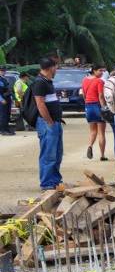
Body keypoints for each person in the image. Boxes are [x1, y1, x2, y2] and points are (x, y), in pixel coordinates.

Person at [29, 57, 64, 190]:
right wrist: (49, 121)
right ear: (51, 68)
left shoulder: (48, 82)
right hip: (47, 124)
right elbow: (40, 104)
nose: (57, 70)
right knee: (48, 154)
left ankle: (55, 180)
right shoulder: (40, 83)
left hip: (55, 122)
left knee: (57, 153)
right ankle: (47, 183)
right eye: (56, 67)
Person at [81, 64, 107, 159]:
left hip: (88, 106)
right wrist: (104, 108)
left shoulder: (84, 80)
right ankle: (102, 155)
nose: (102, 73)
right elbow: (101, 96)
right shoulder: (99, 81)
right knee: (101, 132)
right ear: (94, 71)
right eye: (100, 70)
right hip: (97, 106)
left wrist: (86, 104)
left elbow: (83, 94)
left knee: (92, 131)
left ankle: (90, 146)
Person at [0, 66, 12, 135]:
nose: (3, 72)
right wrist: (1, 100)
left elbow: (8, 89)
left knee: (7, 114)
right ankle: (3, 130)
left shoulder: (5, 79)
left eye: (4, 70)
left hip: (7, 98)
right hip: (2, 99)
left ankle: (6, 129)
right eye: (1, 70)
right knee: (3, 115)